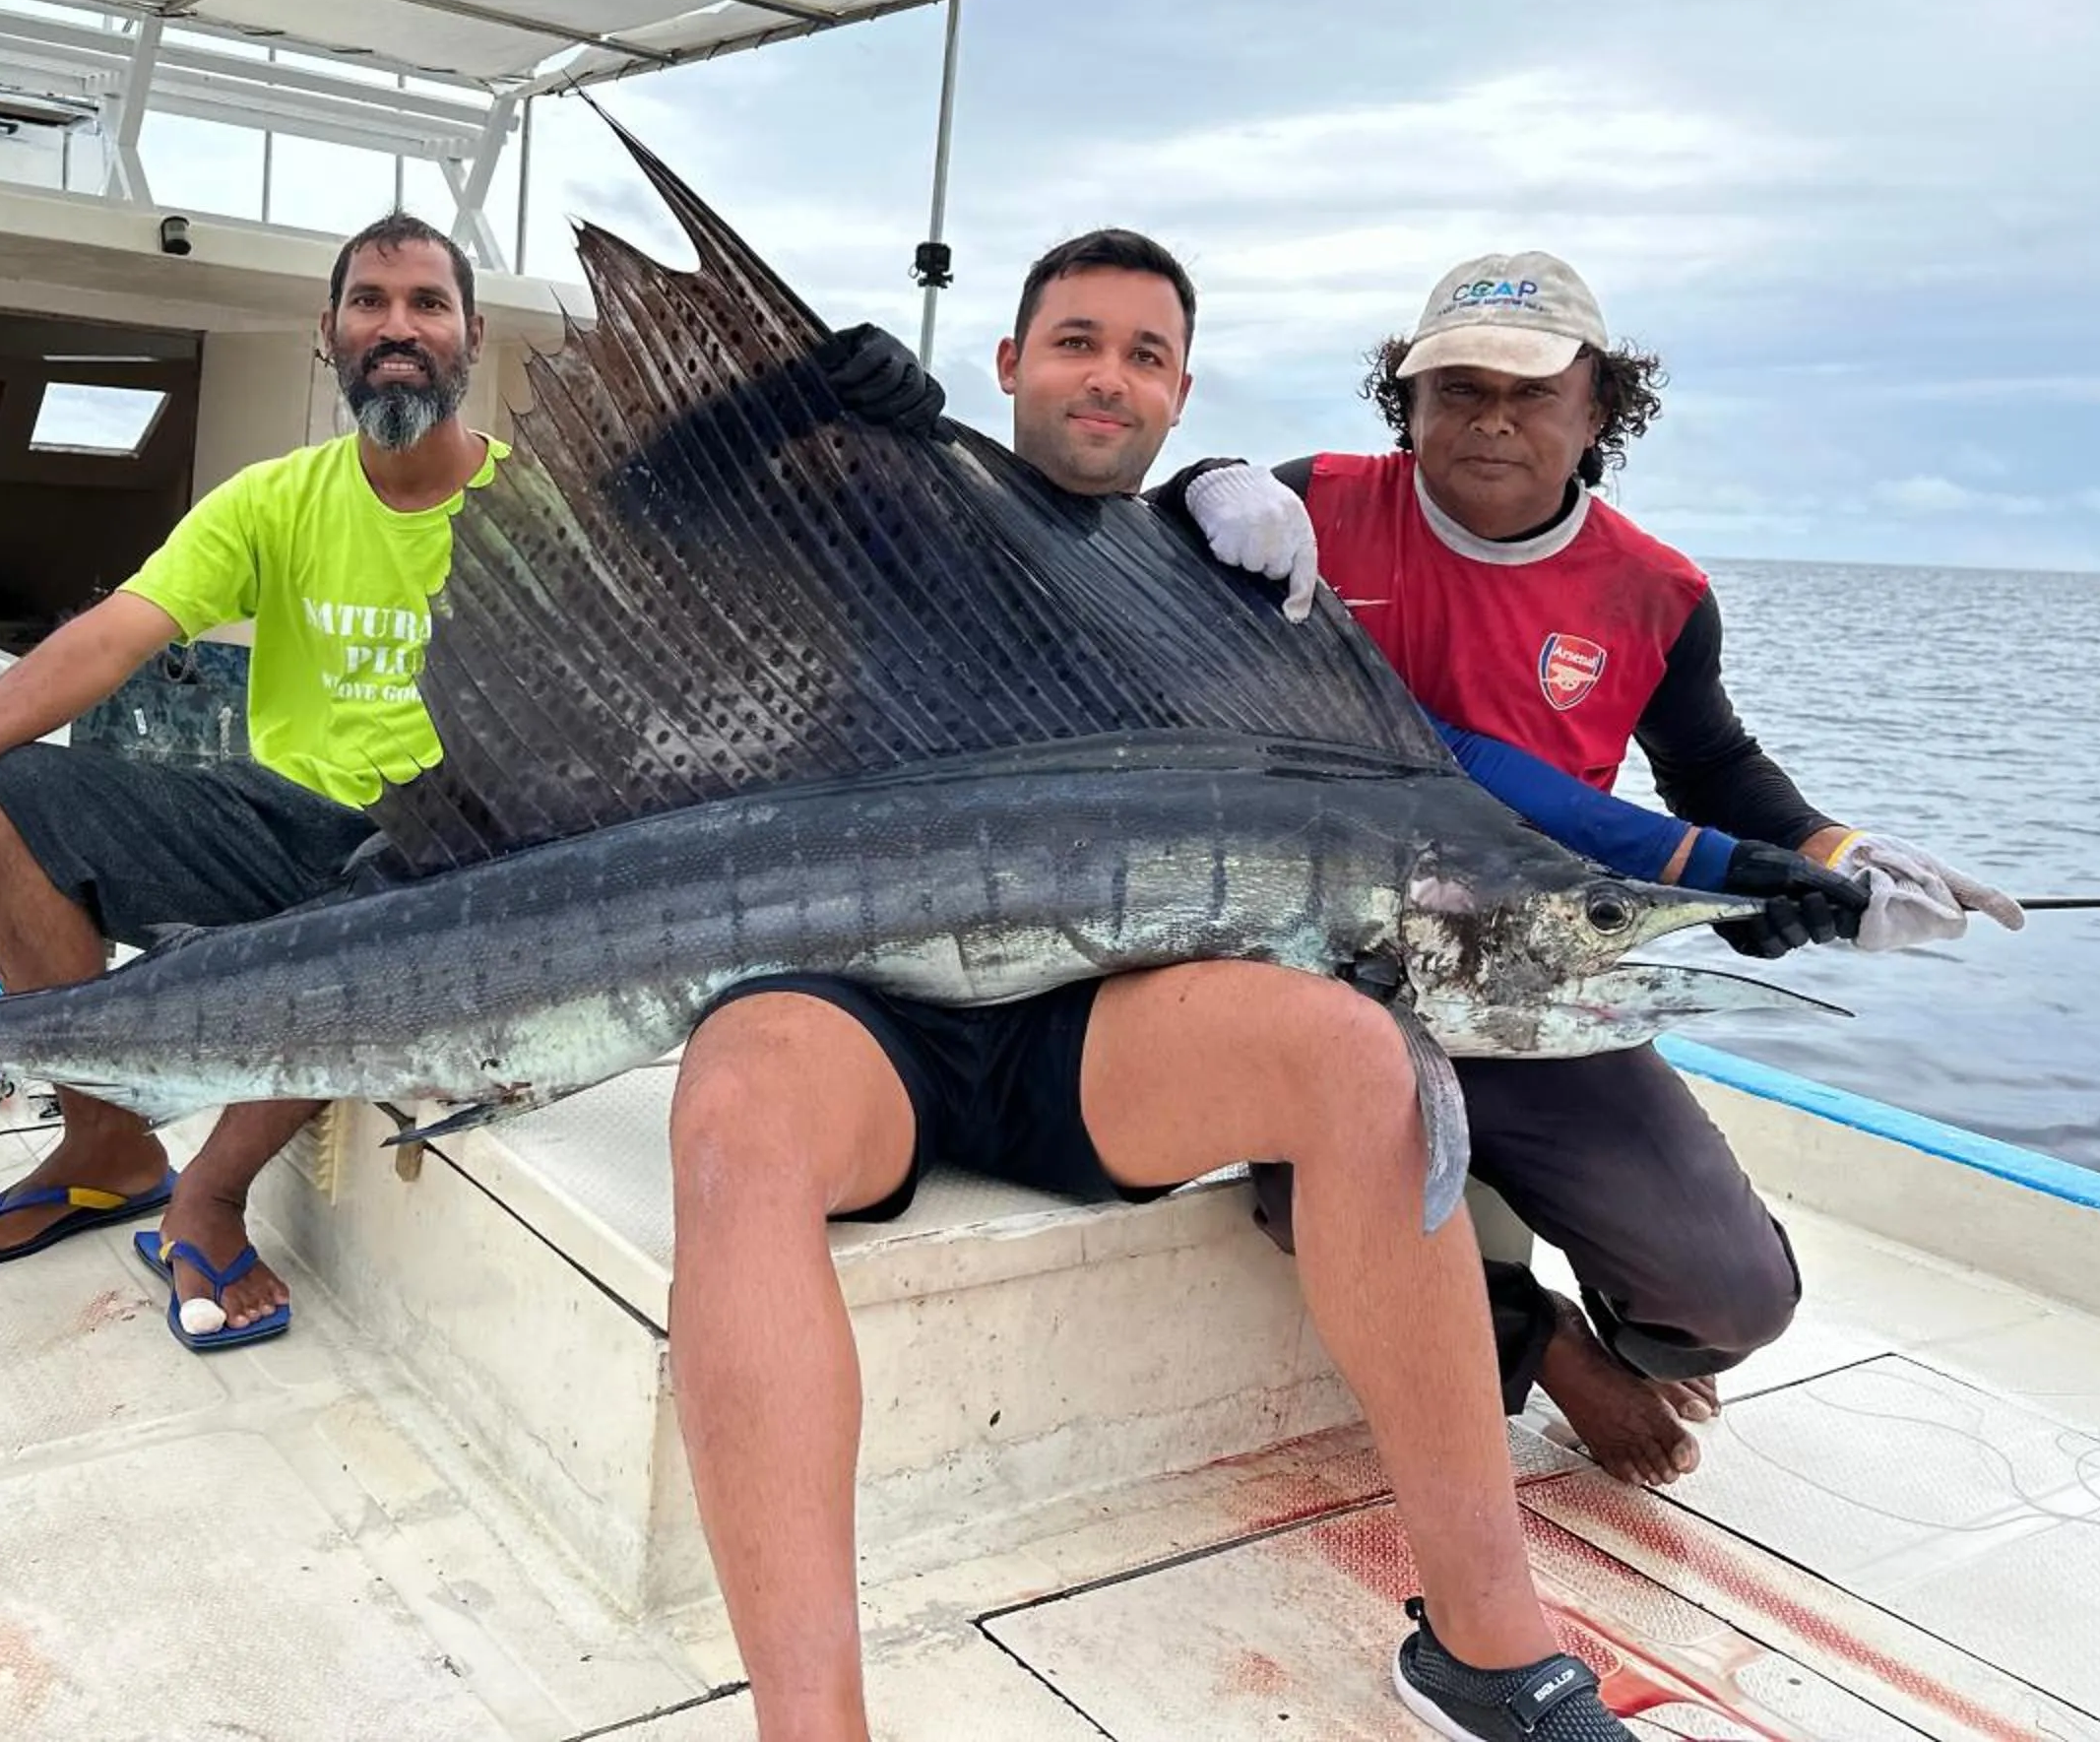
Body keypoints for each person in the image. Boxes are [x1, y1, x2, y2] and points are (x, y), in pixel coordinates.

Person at [671, 231, 1856, 1742]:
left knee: (1362, 1056)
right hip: (864, 1009)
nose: (1107, 374)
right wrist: (772, 405)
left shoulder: (1214, 558)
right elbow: (663, 509)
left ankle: (1488, 1648)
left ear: (1179, 400)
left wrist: (1741, 859)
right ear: (1007, 363)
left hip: (1091, 1018)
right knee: (737, 1100)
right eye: (1076, 341)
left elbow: (1458, 766)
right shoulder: (884, 495)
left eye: (1145, 355)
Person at [1186, 250, 2021, 1486]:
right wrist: (1201, 480)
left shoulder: (1659, 595)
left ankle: (1622, 1334)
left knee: (1731, 1298)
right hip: (1313, 974)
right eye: (1456, 389)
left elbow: (1715, 769)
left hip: (1528, 984)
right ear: (1405, 402)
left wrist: (1834, 854)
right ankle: (1548, 1347)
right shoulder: (1311, 506)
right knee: (1308, 1191)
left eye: (1531, 392)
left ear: (1599, 412)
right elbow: (1122, 584)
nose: (1492, 419)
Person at [0, 213, 499, 1348]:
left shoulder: (533, 510)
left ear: (471, 335)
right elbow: (114, 636)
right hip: (279, 826)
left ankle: (211, 1192)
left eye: (427, 303)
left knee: (386, 898)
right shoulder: (276, 496)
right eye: (370, 301)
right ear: (325, 331)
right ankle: (104, 1146)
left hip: (453, 865)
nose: (397, 327)